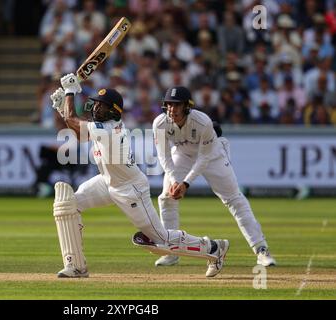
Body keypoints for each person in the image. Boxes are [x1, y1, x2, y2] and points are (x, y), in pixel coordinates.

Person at [49, 73, 230, 278]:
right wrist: (61, 106)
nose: (97, 108)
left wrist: (71, 92)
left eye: (102, 105)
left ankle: (213, 248)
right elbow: (79, 133)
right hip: (108, 182)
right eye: (96, 104)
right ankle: (76, 266)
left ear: (113, 112)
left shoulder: (109, 130)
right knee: (68, 204)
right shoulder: (101, 127)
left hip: (130, 189)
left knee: (161, 240)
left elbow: (73, 121)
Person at [153, 86, 276, 267]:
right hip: (183, 154)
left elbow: (204, 158)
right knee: (166, 198)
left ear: (187, 106)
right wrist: (174, 180)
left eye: (177, 105)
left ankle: (261, 250)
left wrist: (185, 183)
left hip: (212, 156)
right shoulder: (160, 123)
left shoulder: (203, 122)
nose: (173, 109)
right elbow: (164, 156)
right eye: (169, 105)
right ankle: (172, 251)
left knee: (234, 198)